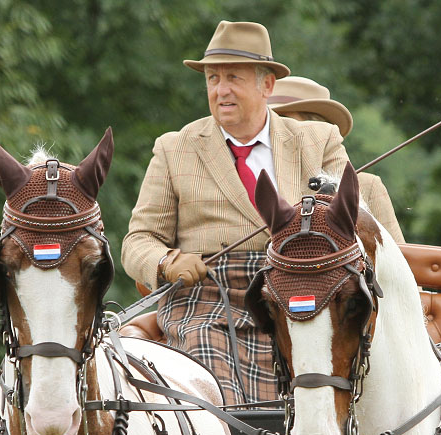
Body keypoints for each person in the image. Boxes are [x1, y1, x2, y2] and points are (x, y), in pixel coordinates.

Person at [121, 21, 350, 405]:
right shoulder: (173, 148)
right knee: (215, 391)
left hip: (299, 292)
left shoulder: (318, 140)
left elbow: (349, 221)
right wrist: (168, 260)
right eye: (213, 78)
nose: (220, 90)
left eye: (233, 78)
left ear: (267, 86)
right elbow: (137, 241)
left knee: (319, 394)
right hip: (208, 300)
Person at [268, 76, 406, 243]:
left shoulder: (368, 186)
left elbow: (398, 256)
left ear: (319, 127)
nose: (277, 128)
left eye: (285, 120)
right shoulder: (262, 177)